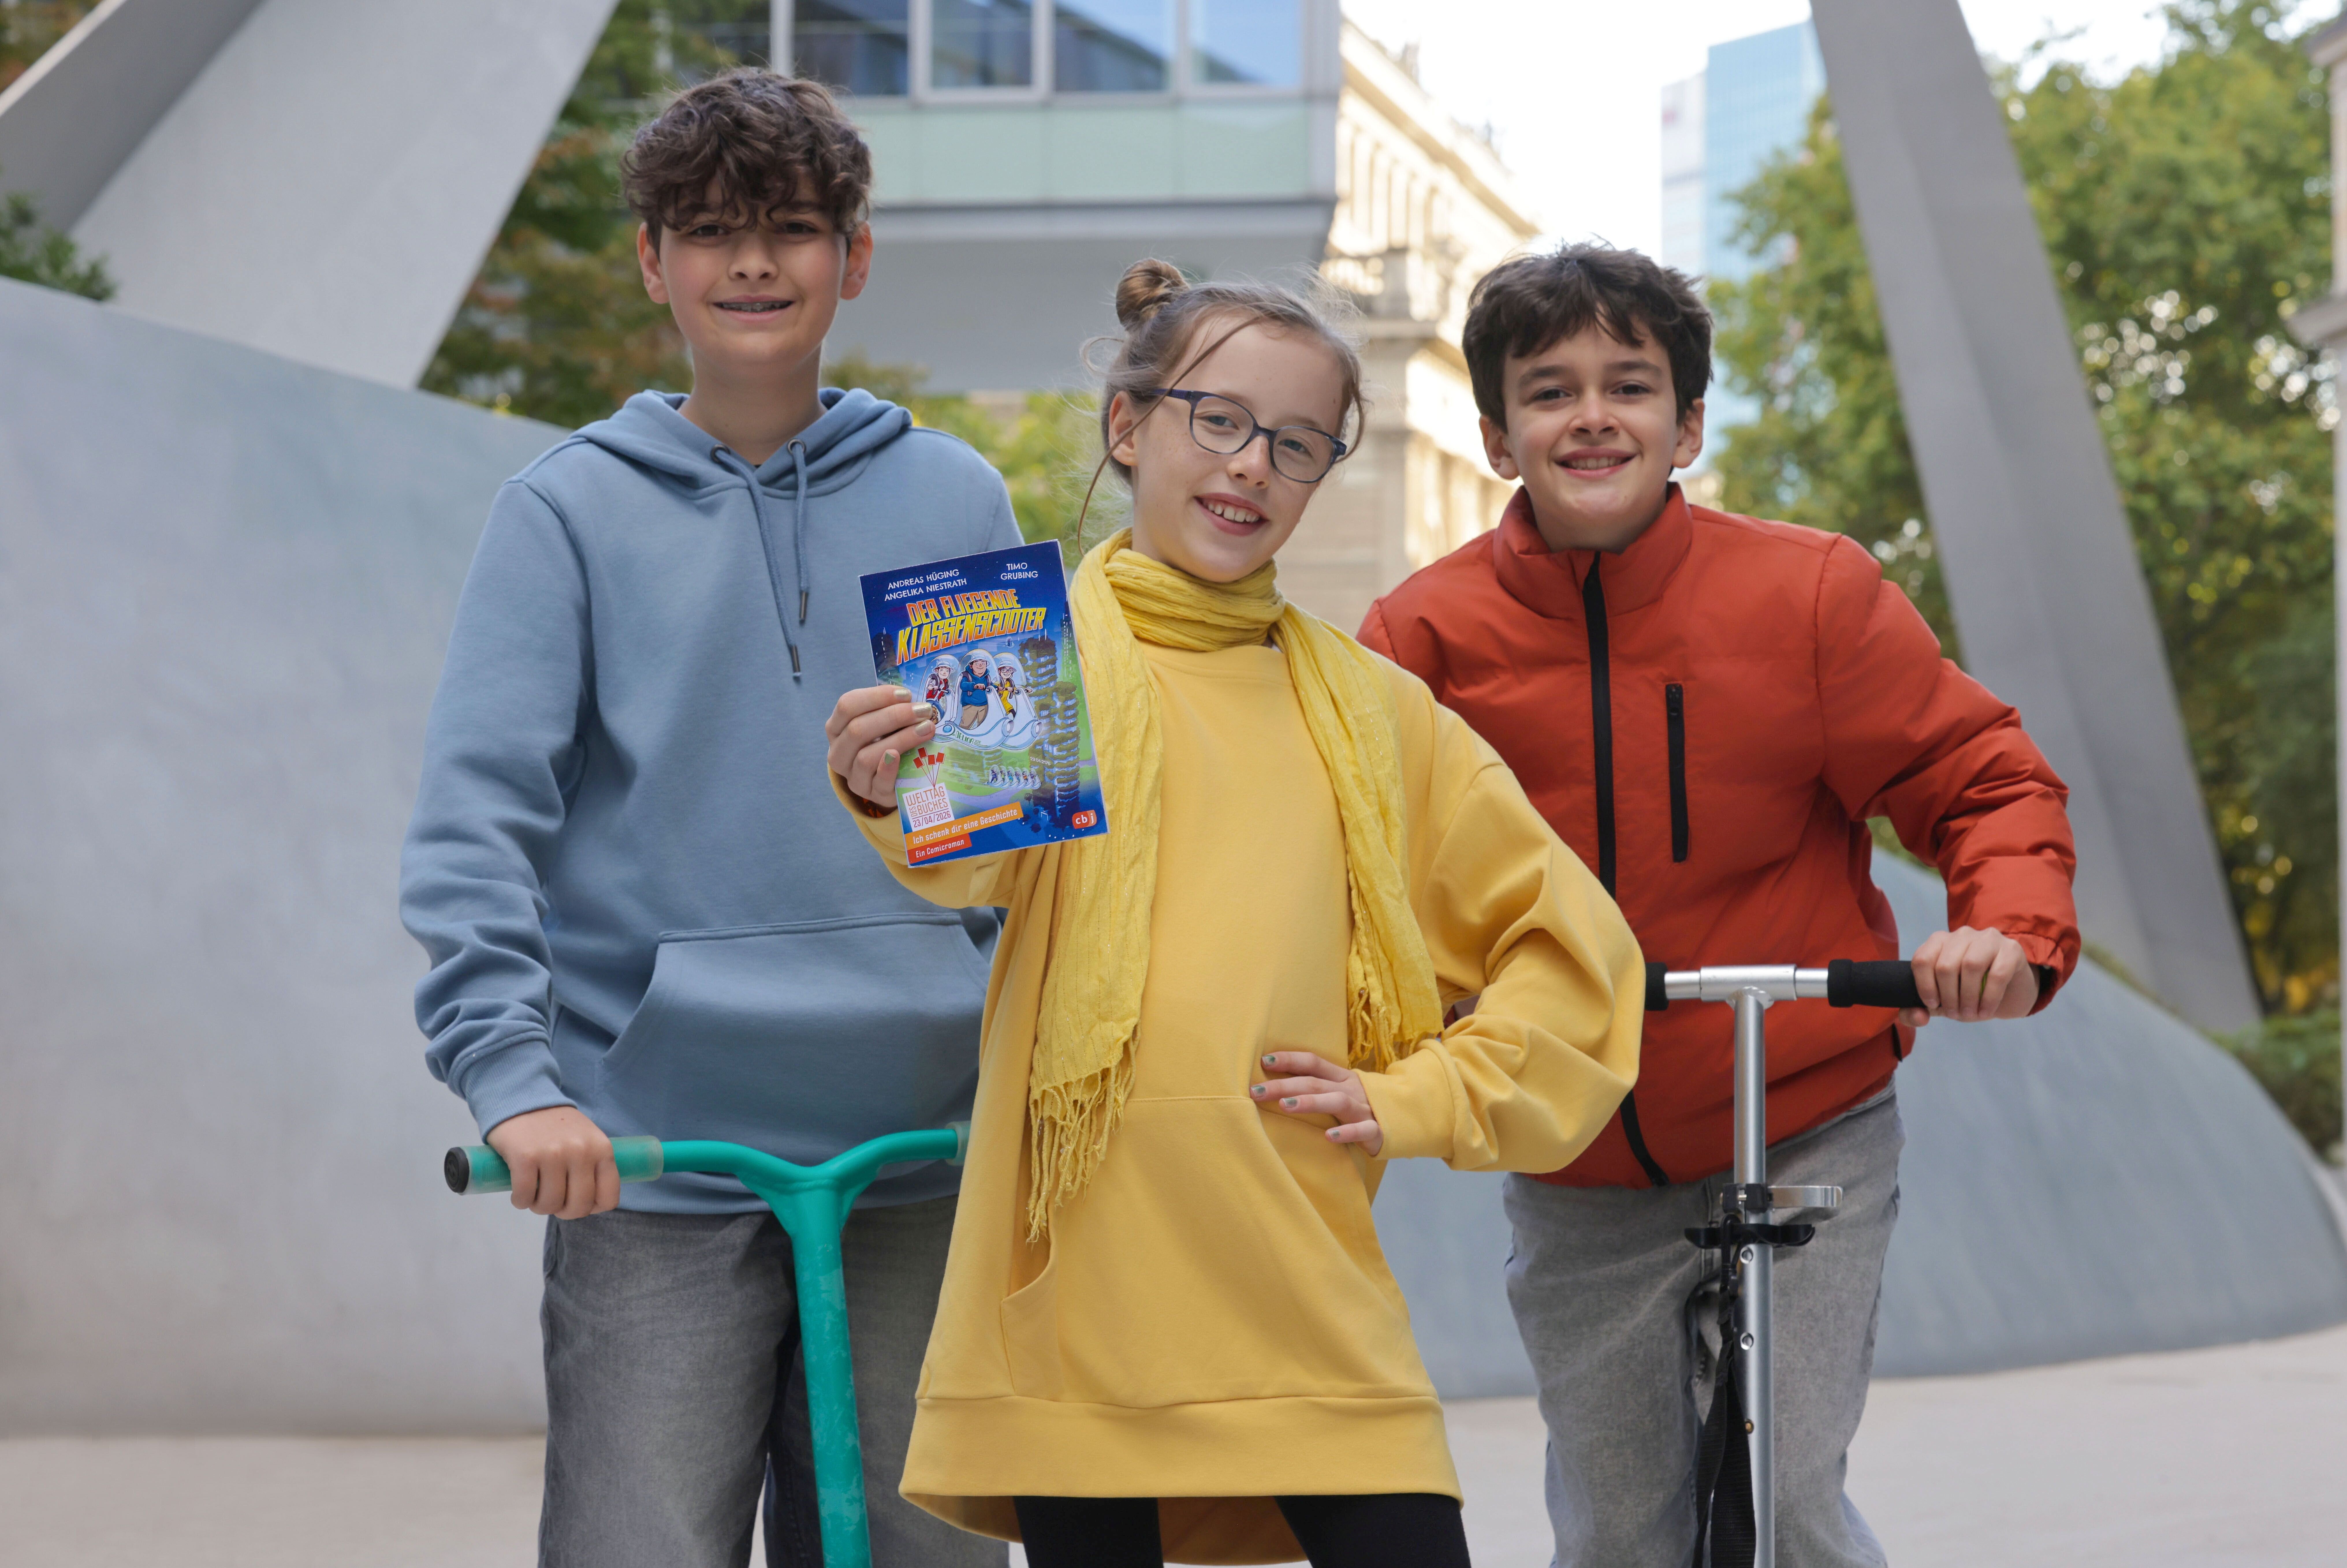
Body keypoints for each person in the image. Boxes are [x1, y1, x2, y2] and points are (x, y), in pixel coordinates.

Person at [822, 260, 1648, 1568]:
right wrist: (883, 787)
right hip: (1073, 1291)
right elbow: (963, 869)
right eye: (1217, 419)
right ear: (1128, 425)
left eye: (1297, 442)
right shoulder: (1019, 665)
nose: (1252, 464)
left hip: (1299, 1275)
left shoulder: (1377, 714)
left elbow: (1577, 955)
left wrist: (1422, 1093)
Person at [1357, 243, 2080, 1568]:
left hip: (1803, 1108)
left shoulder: (1805, 592)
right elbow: (1349, 864)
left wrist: (2007, 929)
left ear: (1686, 423)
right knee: (1615, 1525)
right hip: (1570, 1141)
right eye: (1550, 388)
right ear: (1497, 435)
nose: (1591, 415)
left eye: (1629, 385)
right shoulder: (1421, 639)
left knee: (1790, 1495)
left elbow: (1978, 777)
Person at [399, 68, 1016, 1568]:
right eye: (713, 230)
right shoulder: (567, 513)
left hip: (924, 1144)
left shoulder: (956, 497)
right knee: (641, 1542)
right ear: (652, 260)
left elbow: (1015, 840)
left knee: (926, 1549)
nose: (753, 262)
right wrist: (515, 1078)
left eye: (793, 229)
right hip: (657, 1151)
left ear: (853, 258)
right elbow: (478, 816)